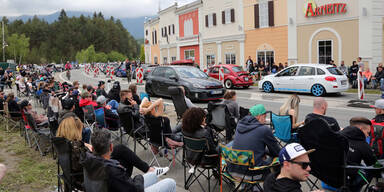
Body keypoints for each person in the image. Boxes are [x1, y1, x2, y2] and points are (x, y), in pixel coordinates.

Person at [82, 129, 176, 192]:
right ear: (111, 147)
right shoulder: (112, 170)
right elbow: (135, 189)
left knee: (153, 175)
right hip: (131, 188)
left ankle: (150, 170)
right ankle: (149, 171)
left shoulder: (88, 160)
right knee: (170, 182)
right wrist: (138, 177)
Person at [228, 104, 281, 180]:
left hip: (232, 171)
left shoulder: (240, 124)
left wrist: (263, 152)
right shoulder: (264, 129)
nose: (265, 120)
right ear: (259, 116)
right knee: (279, 159)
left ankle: (246, 187)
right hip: (252, 173)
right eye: (264, 116)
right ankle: (278, 185)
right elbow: (277, 152)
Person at [341, 117, 377, 192]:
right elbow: (373, 164)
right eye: (368, 133)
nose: (368, 136)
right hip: (346, 178)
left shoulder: (338, 135)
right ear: (361, 129)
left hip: (329, 175)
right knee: (368, 170)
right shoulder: (363, 145)